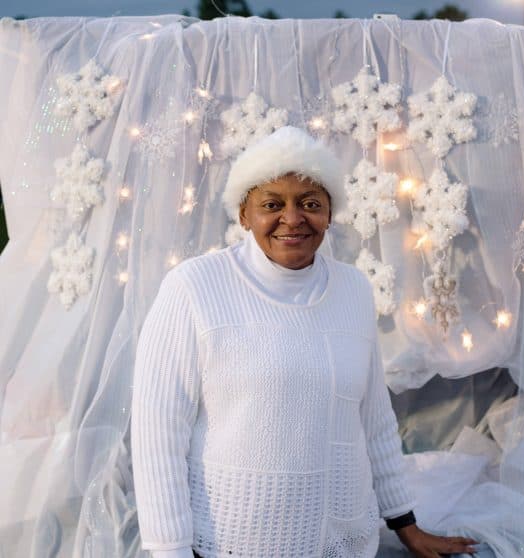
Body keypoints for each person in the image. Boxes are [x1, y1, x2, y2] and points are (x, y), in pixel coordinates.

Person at [131, 126, 477, 558]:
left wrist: (406, 525)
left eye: (310, 204)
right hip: (233, 543)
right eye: (271, 204)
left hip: (346, 543)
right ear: (243, 214)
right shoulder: (194, 287)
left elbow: (374, 419)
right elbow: (158, 434)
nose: (292, 219)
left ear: (330, 213)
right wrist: (170, 552)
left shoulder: (352, 289)